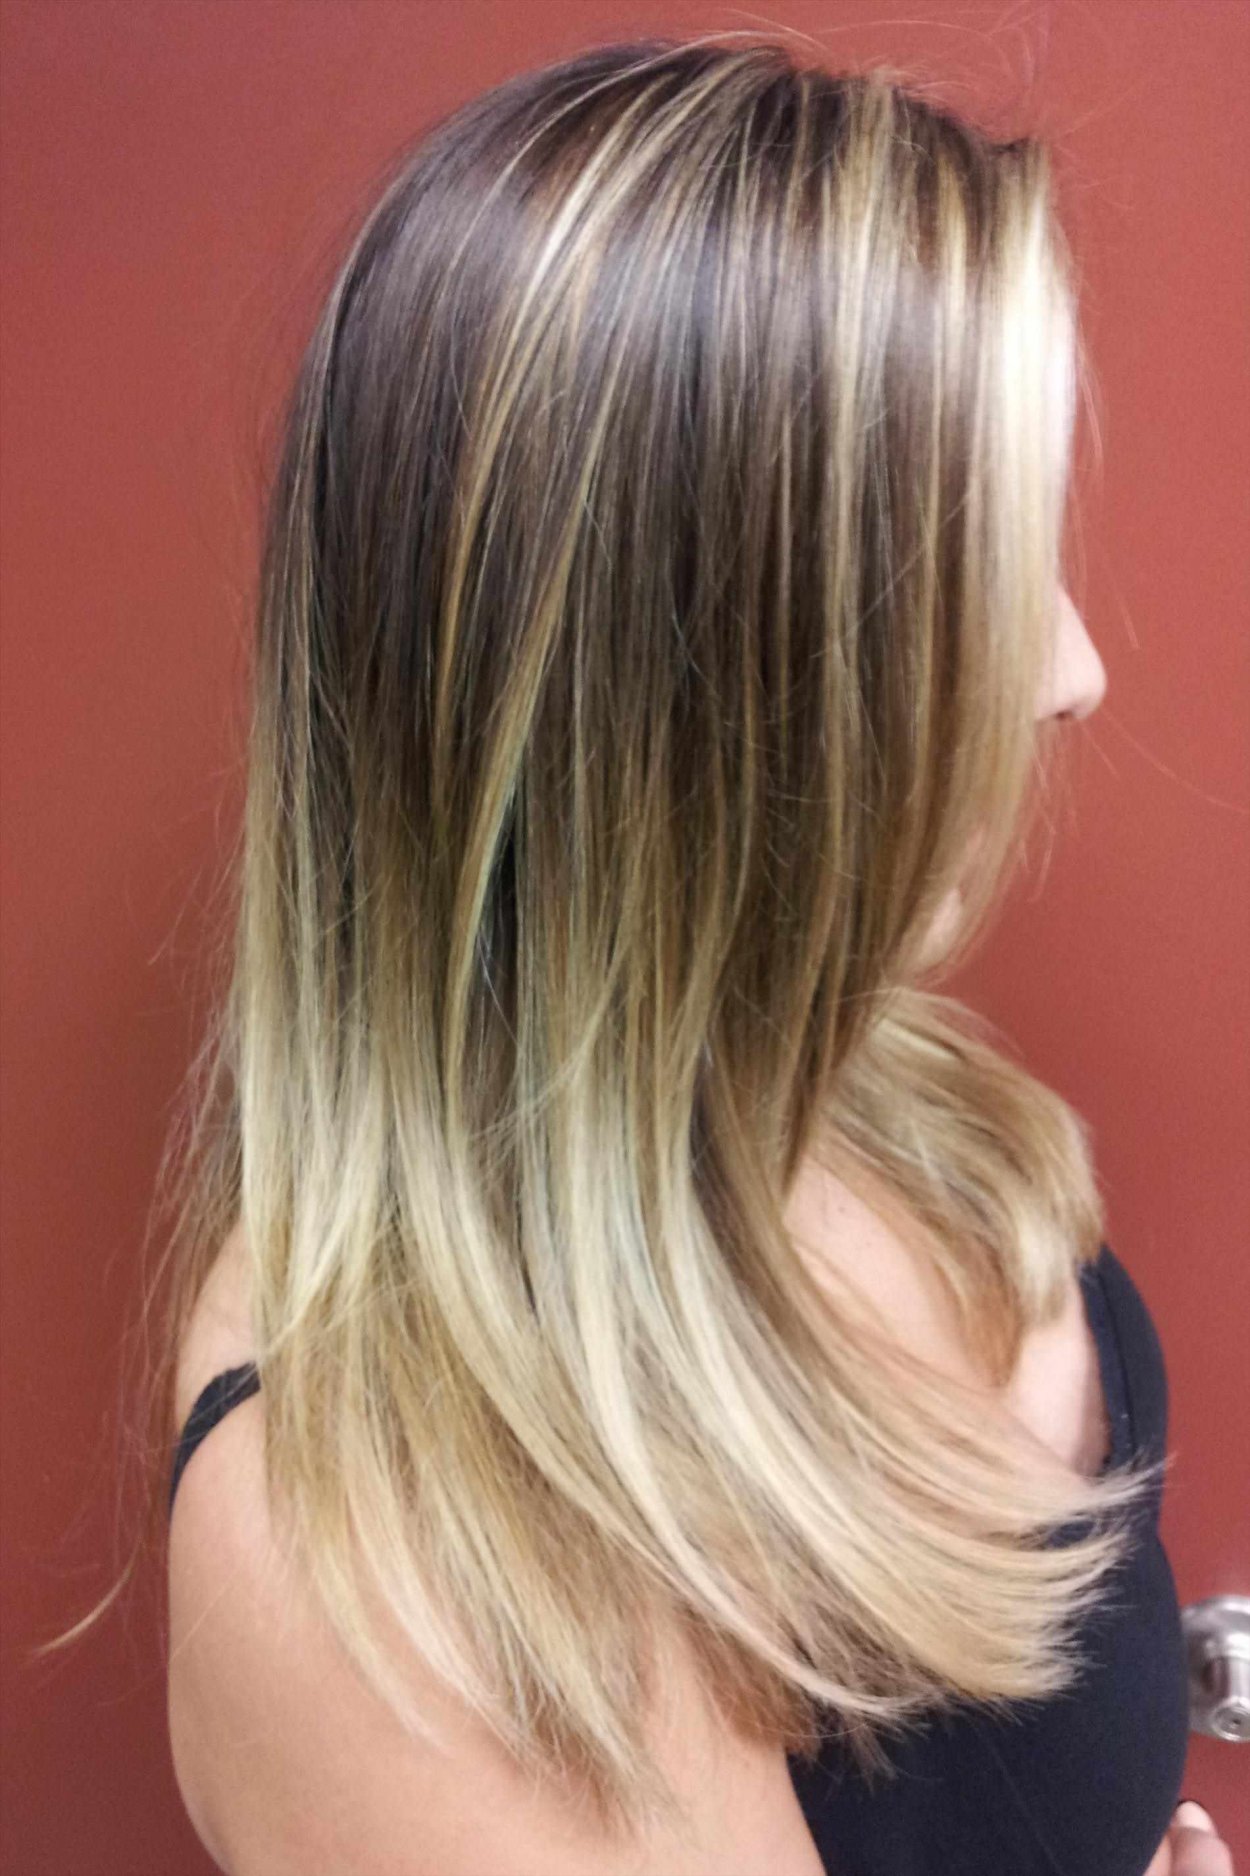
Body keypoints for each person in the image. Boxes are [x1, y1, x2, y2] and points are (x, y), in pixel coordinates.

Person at [67, 33, 1242, 1874]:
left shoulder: (860, 1071)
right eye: (957, 585)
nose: (1070, 672)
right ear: (679, 696)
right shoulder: (415, 1561)